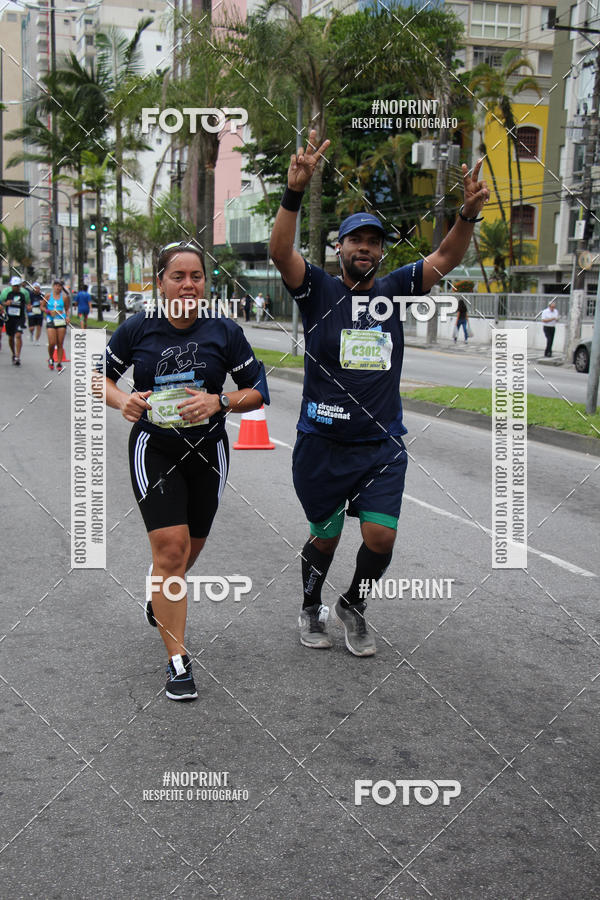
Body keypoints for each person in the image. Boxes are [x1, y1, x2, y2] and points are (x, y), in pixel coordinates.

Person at [269, 129, 488, 656]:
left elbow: (446, 256)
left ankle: (354, 605)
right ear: (340, 248)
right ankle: (311, 605)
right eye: (356, 241)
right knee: (325, 536)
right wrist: (294, 190)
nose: (364, 248)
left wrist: (467, 213)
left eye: (373, 242)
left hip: (380, 445)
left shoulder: (395, 290)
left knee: (381, 537)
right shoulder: (317, 289)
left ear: (381, 252)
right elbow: (280, 251)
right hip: (322, 443)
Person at [100, 240, 269, 701]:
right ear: (161, 283)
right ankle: (178, 660)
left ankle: (159, 588)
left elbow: (257, 390)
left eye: (196, 276)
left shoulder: (224, 331)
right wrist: (123, 400)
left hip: (208, 453)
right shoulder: (137, 328)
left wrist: (220, 400)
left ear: (205, 284)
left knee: (187, 552)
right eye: (178, 276)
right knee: (171, 550)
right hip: (154, 448)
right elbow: (100, 378)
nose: (188, 284)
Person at [0, 276, 30, 366]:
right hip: (10, 318)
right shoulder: (6, 293)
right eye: (14, 286)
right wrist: (6, 304)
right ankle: (13, 353)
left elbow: (28, 303)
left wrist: (29, 307)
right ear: (11, 285)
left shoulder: (24, 293)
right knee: (11, 337)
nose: (16, 287)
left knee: (18, 335)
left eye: (18, 286)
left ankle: (17, 356)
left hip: (20, 318)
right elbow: (1, 303)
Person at [43, 279, 70, 372]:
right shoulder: (48, 296)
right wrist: (48, 311)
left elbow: (67, 309)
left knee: (60, 343)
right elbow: (42, 306)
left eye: (60, 286)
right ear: (53, 286)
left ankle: (59, 362)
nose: (58, 288)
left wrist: (67, 317)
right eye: (56, 285)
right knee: (52, 342)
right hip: (51, 320)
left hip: (61, 321)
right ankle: (51, 358)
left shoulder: (64, 297)